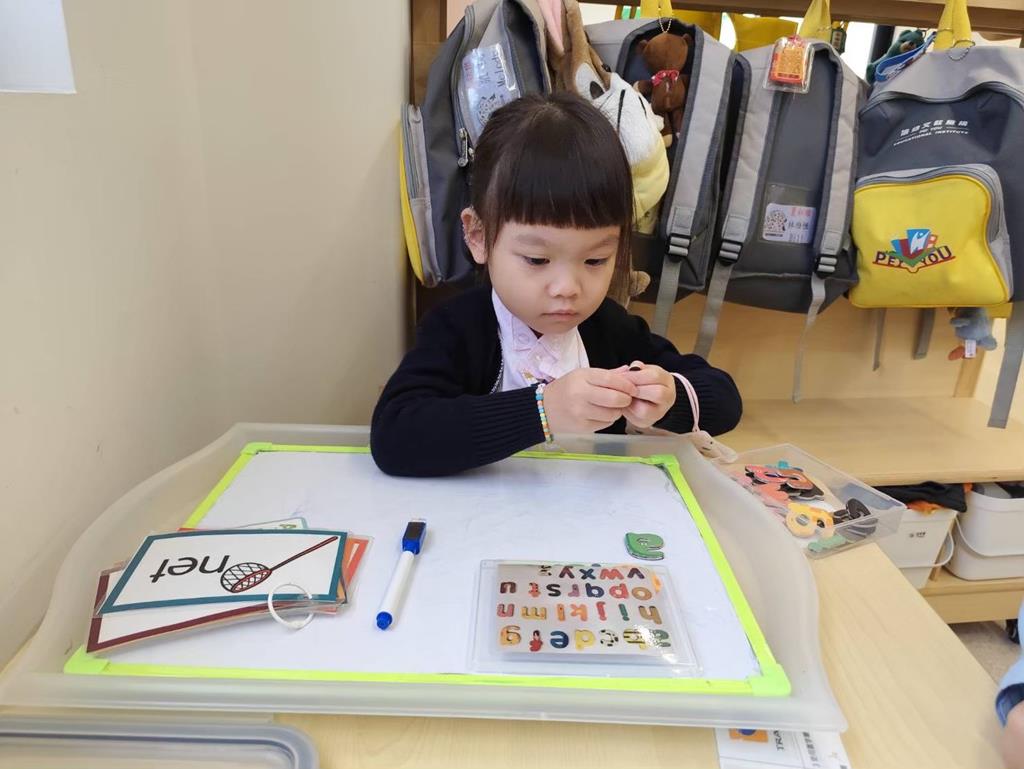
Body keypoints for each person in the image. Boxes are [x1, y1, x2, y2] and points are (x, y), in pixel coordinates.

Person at [371, 93, 741, 477]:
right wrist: (544, 411)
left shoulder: (609, 328)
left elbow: (725, 400)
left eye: (595, 260)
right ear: (478, 235)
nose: (567, 288)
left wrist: (668, 398)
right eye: (537, 260)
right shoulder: (458, 327)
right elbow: (395, 437)